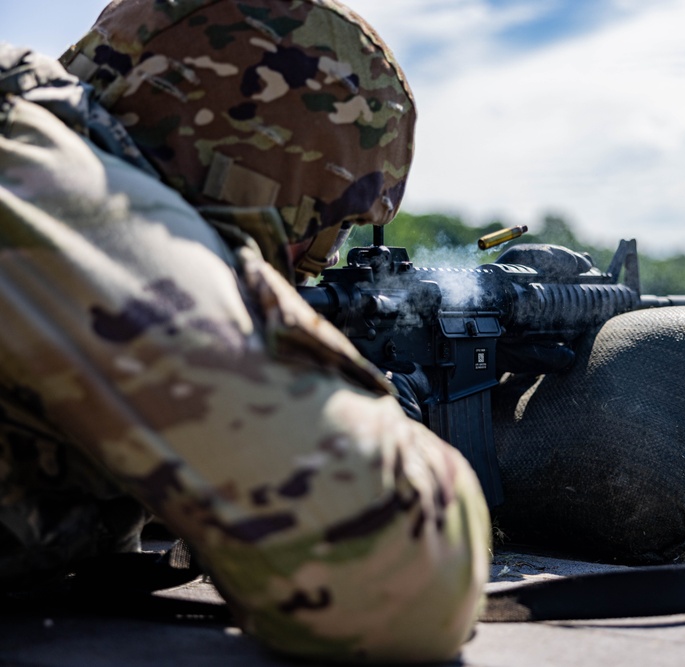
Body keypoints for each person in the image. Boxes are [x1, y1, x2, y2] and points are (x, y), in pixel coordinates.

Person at [0, 0, 490, 662]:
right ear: (261, 176)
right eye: (330, 229)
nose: (320, 259)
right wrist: (344, 394)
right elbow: (399, 568)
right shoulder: (56, 177)